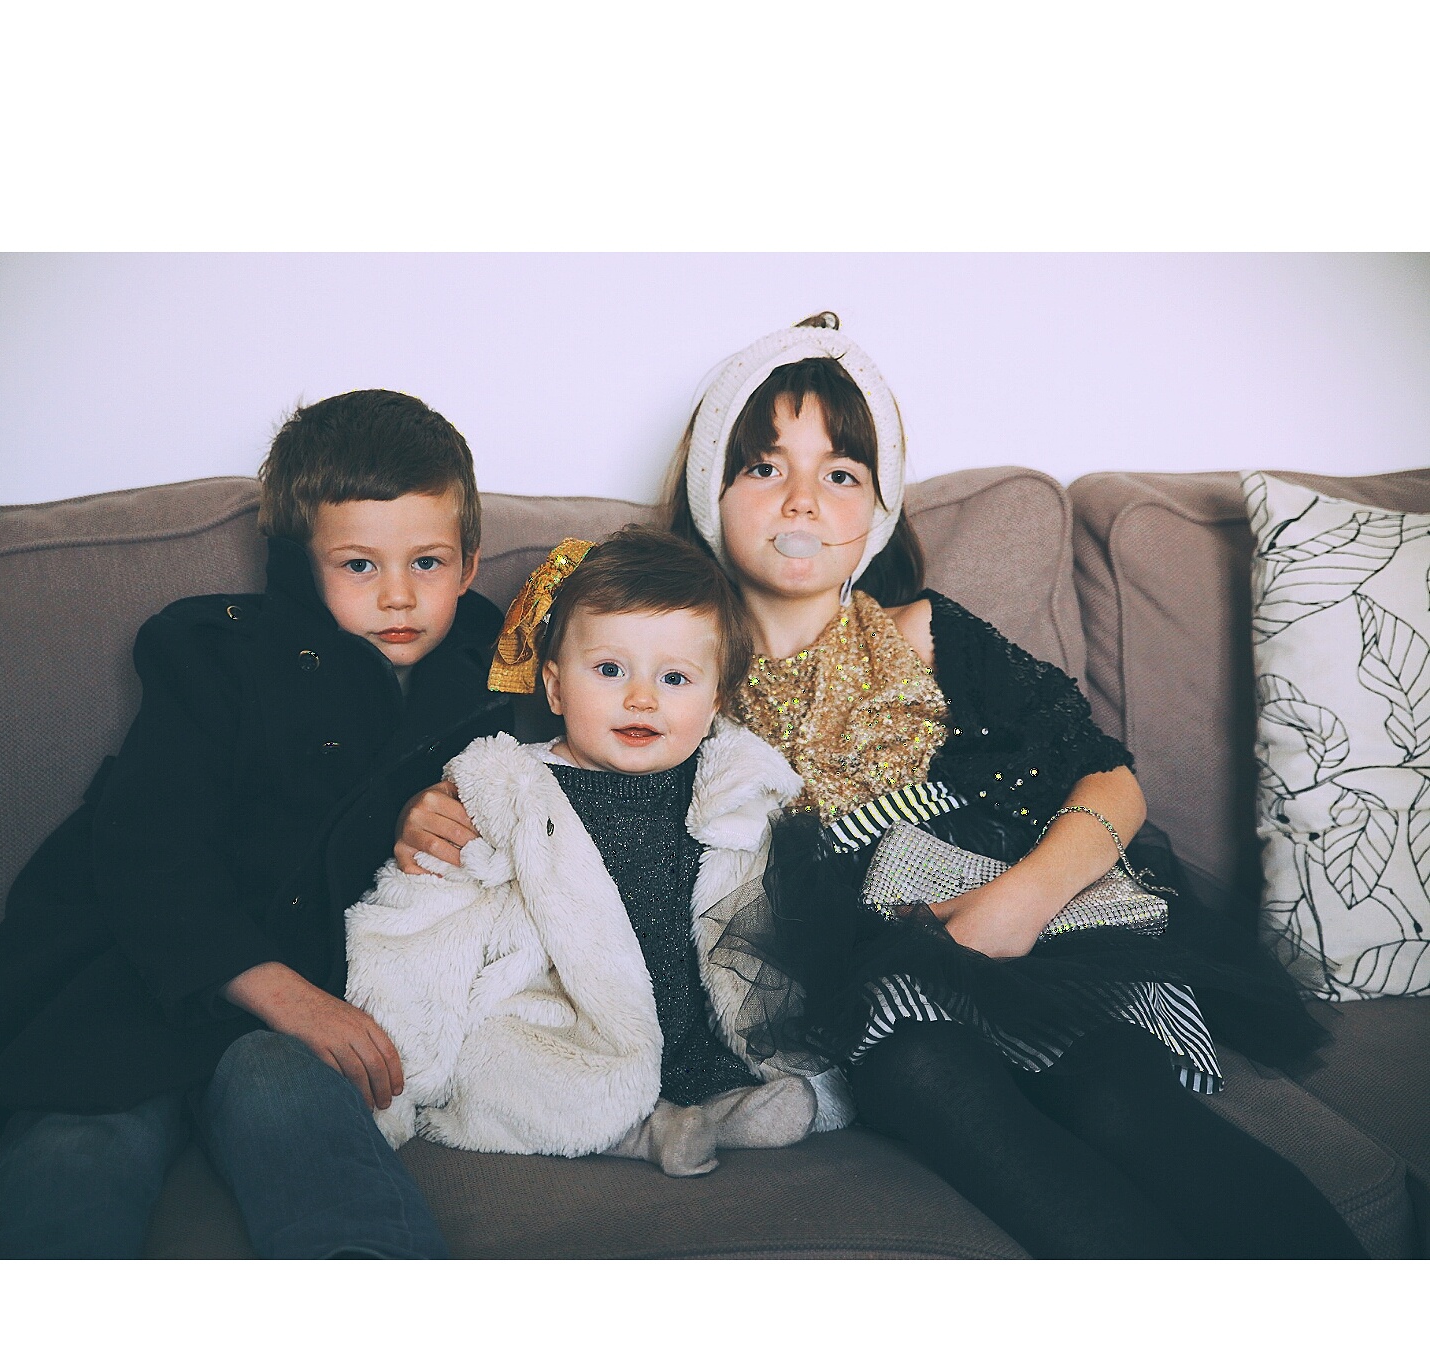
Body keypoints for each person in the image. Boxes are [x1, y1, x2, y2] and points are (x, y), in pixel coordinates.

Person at [402, 317, 1367, 1260]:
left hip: (1031, 920)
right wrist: (432, 807)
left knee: (1118, 1093)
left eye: (840, 474)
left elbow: (1111, 776)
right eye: (764, 467)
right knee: (925, 1071)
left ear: (878, 509)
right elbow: (552, 774)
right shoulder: (670, 674)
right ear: (711, 493)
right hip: (864, 969)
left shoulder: (927, 635)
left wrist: (1019, 902)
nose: (801, 501)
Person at [0, 389, 511, 1258]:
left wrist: (441, 814)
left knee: (298, 1109)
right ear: (301, 564)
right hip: (138, 978)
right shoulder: (217, 653)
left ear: (469, 566)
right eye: (359, 565)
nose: (398, 596)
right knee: (81, 1139)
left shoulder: (495, 673)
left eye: (427, 563)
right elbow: (147, 847)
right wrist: (284, 995)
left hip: (293, 1024)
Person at [346, 527, 845, 1178]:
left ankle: (717, 1112)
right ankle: (638, 1131)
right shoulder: (508, 792)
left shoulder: (732, 795)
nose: (642, 698)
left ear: (715, 700)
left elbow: (763, 925)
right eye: (610, 670)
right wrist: (404, 1062)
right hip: (562, 1026)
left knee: (742, 1063)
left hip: (692, 1028)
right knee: (495, 1062)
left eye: (675, 677)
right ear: (554, 688)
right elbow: (424, 923)